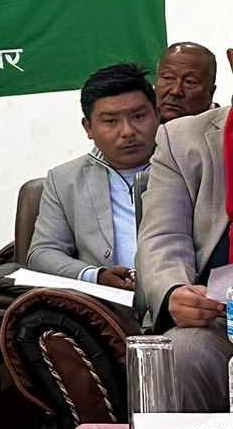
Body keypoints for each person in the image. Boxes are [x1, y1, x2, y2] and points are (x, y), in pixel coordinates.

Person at [136, 48, 233, 409]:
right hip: (220, 319)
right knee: (181, 355)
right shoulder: (182, 139)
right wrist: (174, 290)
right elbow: (162, 236)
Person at [26, 63, 159, 293]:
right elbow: (43, 252)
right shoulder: (64, 180)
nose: (127, 131)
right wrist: (95, 276)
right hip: (104, 303)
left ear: (157, 115)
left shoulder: (188, 166)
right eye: (111, 121)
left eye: (138, 116)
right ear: (88, 127)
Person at [155, 41, 216, 122]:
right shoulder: (143, 124)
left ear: (211, 93)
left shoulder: (225, 127)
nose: (175, 91)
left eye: (190, 82)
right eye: (168, 77)